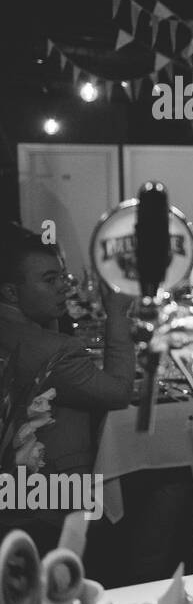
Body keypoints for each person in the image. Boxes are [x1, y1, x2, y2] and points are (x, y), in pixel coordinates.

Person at [0, 224, 133, 552]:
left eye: (62, 277)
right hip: (45, 504)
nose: (64, 288)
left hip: (14, 491)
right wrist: (117, 312)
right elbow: (119, 392)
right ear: (11, 292)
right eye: (49, 280)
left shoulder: (23, 334)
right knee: (164, 487)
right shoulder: (53, 351)